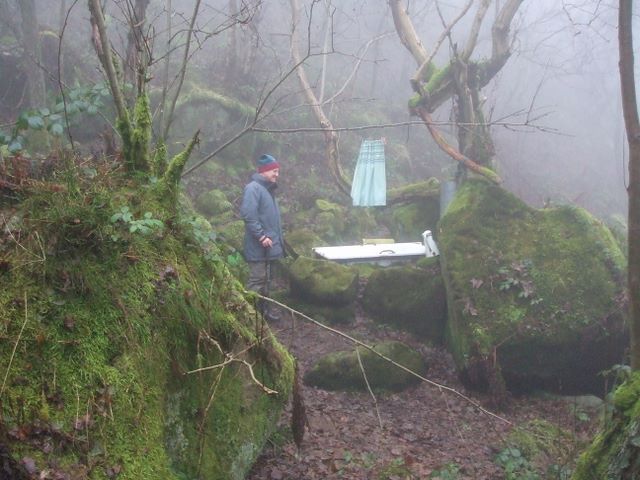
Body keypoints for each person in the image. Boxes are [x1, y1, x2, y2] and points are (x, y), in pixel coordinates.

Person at [240, 154, 284, 321]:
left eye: (278, 171)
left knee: (266, 281)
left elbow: (271, 220)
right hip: (258, 246)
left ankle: (263, 314)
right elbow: (248, 215)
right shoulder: (253, 188)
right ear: (264, 171)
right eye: (274, 171)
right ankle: (246, 317)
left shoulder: (268, 189)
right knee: (257, 280)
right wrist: (261, 236)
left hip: (269, 246)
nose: (277, 174)